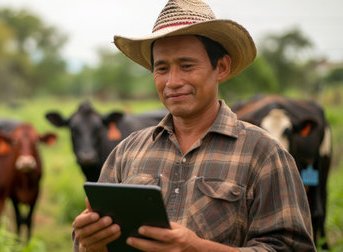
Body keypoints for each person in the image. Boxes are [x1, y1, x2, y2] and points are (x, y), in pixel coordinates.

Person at [72, 0, 316, 251]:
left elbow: (291, 248)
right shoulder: (127, 151)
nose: (173, 81)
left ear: (221, 67)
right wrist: (89, 241)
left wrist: (196, 248)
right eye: (162, 68)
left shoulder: (264, 153)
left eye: (187, 66)